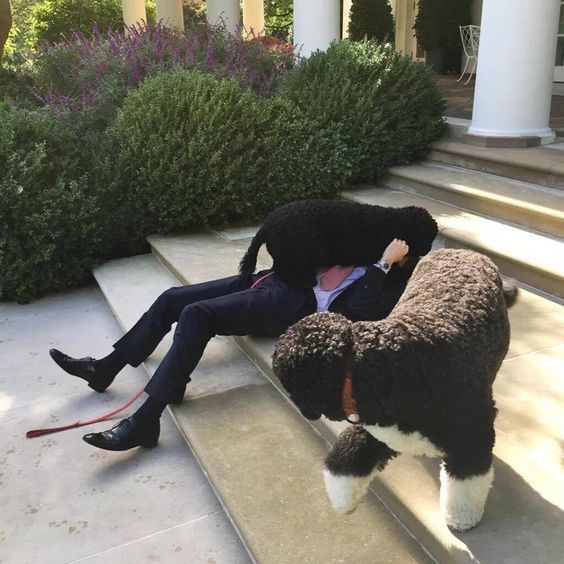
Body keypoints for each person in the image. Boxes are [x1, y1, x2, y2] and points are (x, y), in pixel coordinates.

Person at [50, 239, 416, 452]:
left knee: (196, 315)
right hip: (271, 281)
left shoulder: (385, 272)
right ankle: (105, 369)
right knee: (172, 297)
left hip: (293, 305)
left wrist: (384, 263)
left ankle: (146, 419)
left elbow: (356, 312)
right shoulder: (344, 235)